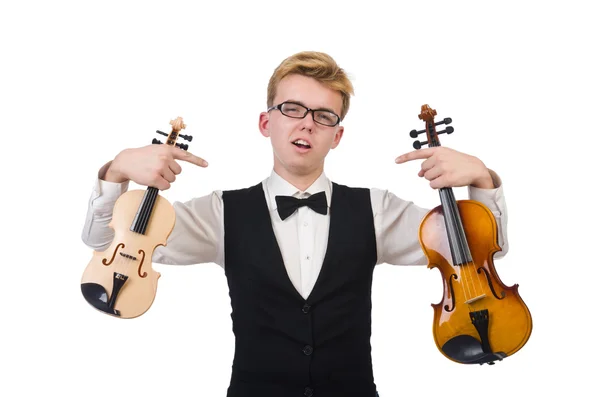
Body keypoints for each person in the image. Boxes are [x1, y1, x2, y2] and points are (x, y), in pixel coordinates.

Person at [81, 51, 508, 397]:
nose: (307, 122)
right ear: (267, 123)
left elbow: (479, 256)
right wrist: (116, 172)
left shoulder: (378, 210)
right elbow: (106, 245)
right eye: (293, 108)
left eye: (324, 115)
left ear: (336, 135)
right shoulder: (219, 213)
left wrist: (482, 181)